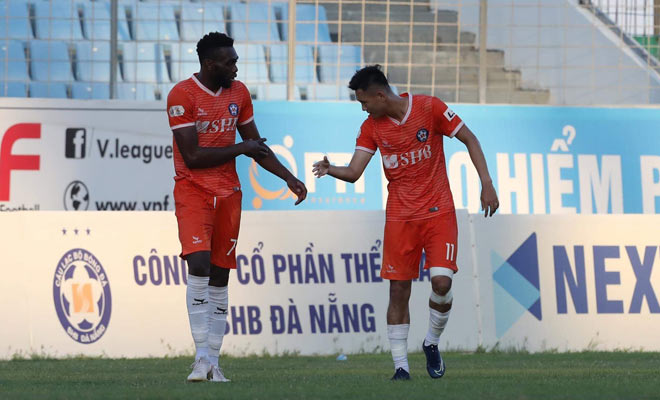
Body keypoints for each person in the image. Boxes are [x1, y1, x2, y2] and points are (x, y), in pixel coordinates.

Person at [312, 65, 498, 380]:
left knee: (442, 283)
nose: (363, 109)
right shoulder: (371, 127)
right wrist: (331, 170)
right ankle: (401, 368)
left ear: (380, 95)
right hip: (400, 217)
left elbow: (470, 138)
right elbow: (355, 172)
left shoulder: (430, 108)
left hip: (438, 212)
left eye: (364, 102)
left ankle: (431, 342)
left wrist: (487, 183)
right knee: (398, 290)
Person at [166, 32, 307, 382]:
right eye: (229, 62)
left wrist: (289, 177)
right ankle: (200, 357)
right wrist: (242, 149)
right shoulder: (182, 95)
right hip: (193, 190)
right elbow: (193, 156)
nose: (235, 67)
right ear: (209, 64)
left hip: (228, 193)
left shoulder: (239, 93)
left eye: (236, 61)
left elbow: (255, 144)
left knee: (220, 275)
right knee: (198, 264)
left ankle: (213, 363)